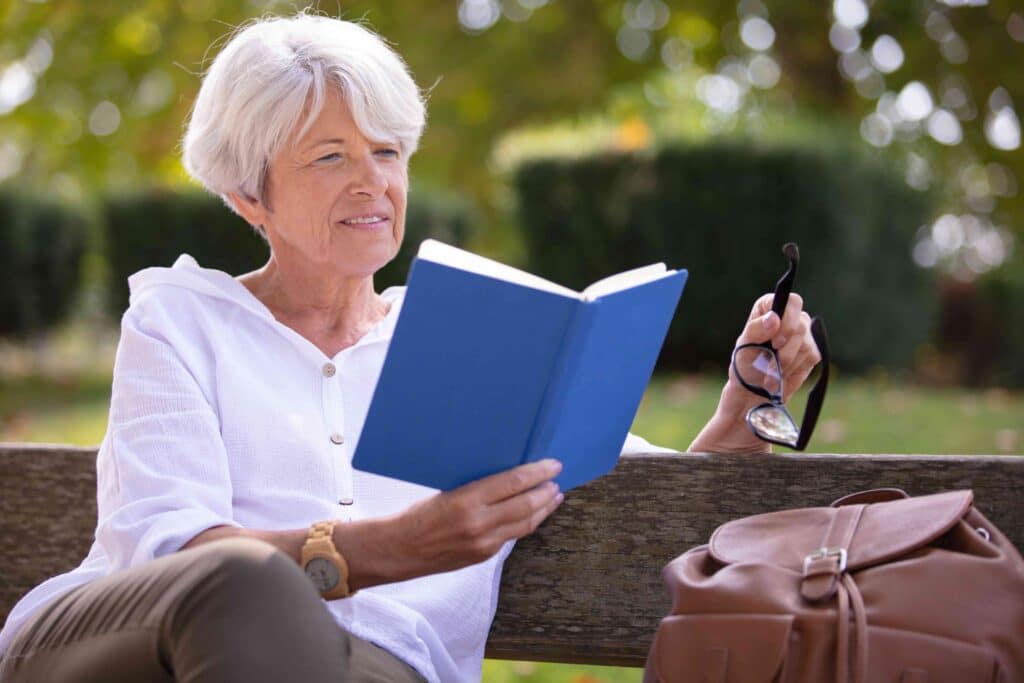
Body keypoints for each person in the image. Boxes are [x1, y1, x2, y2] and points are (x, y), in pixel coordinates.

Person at [0, 12, 821, 683]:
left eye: (386, 152)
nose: (374, 182)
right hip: (125, 647)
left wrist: (748, 403)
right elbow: (170, 557)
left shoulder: (481, 339)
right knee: (246, 585)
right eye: (331, 156)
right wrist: (397, 544)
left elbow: (656, 493)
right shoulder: (181, 321)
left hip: (379, 667)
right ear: (250, 194)